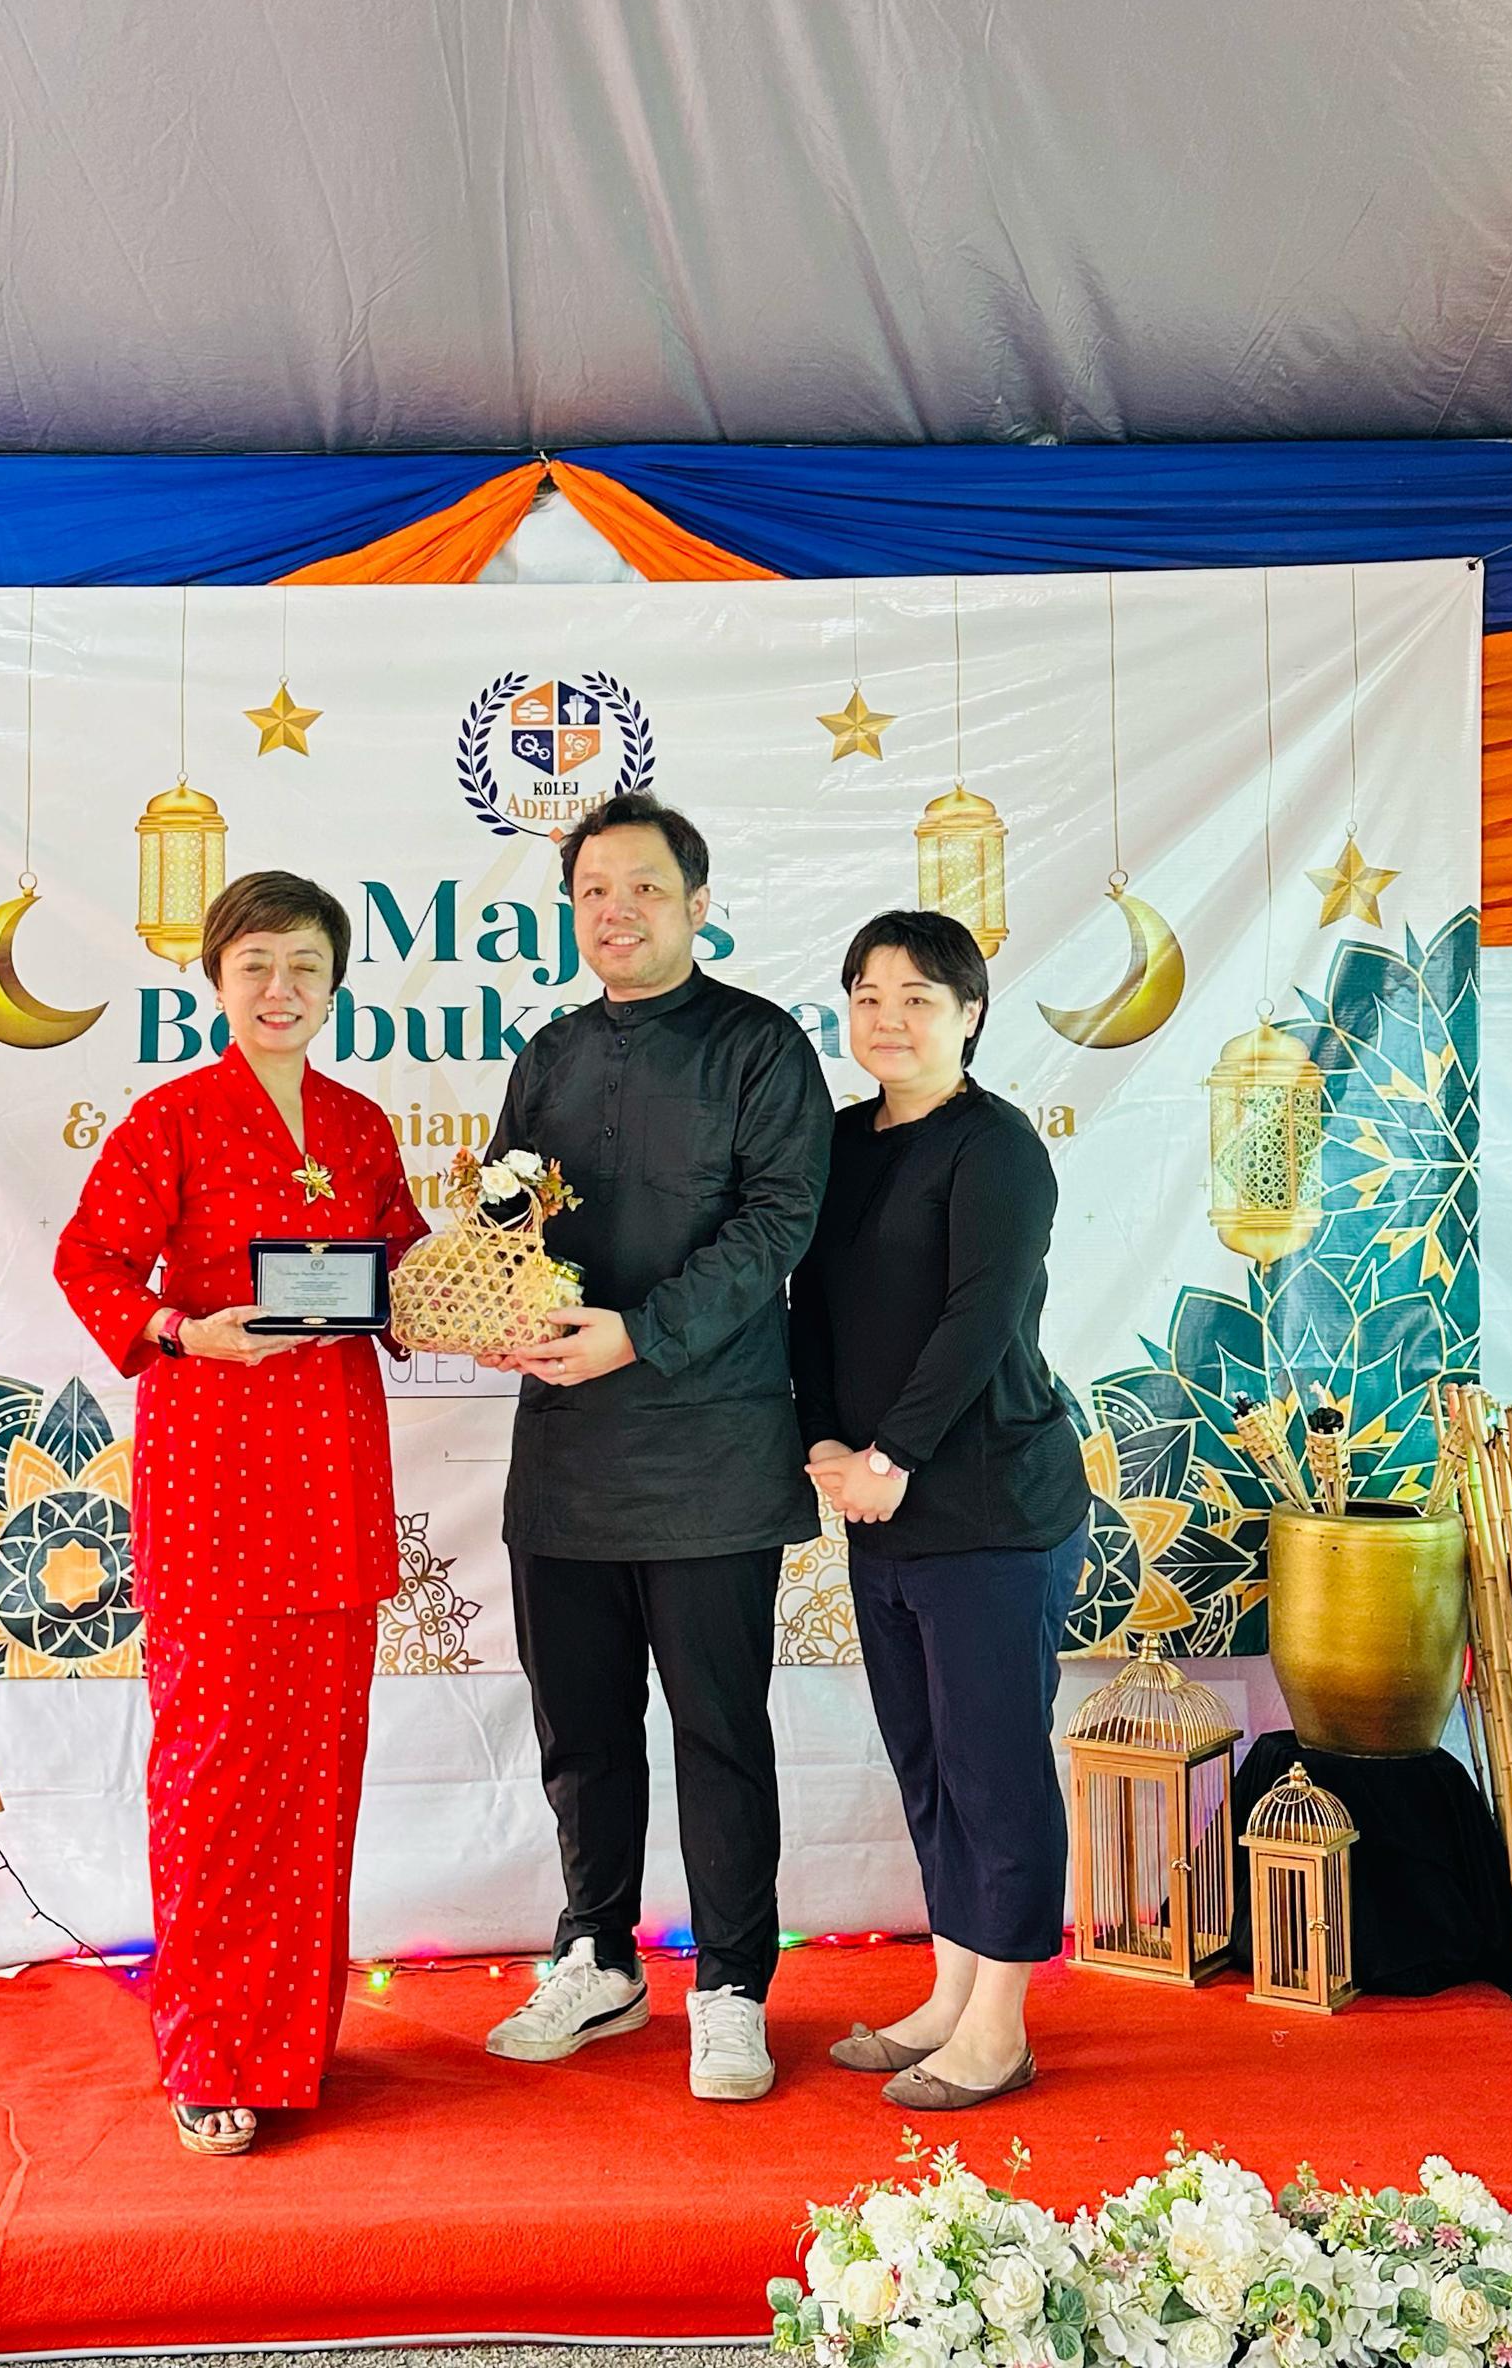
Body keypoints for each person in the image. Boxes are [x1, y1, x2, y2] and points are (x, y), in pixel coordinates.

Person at [54, 869, 427, 2157]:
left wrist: (496, 1264)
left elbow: (406, 1267)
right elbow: (90, 1260)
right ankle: (210, 2054)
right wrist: (180, 1328)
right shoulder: (171, 1117)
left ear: (335, 987)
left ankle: (293, 2048)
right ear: (216, 976)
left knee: (317, 1778)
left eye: (306, 967)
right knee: (214, 1775)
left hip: (334, 1475)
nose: (282, 988)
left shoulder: (360, 1125)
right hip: (214, 1476)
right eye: (258, 963)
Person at [480, 791, 833, 2101]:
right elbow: (508, 1212)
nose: (614, 912)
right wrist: (496, 1296)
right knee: (579, 1728)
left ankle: (732, 1984)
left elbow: (777, 1225)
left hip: (710, 1455)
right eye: (591, 893)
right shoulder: (550, 1054)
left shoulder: (760, 1048)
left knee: (718, 1732)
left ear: (697, 903)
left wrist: (642, 1332)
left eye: (641, 888)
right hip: (565, 1455)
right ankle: (598, 1953)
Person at [790, 908, 1089, 2113]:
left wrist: (895, 1451)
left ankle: (1001, 2026)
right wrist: (820, 1435)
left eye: (919, 996)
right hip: (882, 1507)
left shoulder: (999, 1148)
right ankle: (951, 1991)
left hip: (992, 1505)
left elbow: (980, 1317)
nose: (890, 1018)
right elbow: (809, 1304)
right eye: (868, 996)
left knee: (994, 1765)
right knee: (926, 1762)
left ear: (970, 1013)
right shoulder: (841, 1142)